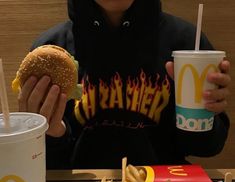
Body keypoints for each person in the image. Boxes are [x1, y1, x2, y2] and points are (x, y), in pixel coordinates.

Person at [18, 0, 231, 169]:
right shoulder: (51, 50)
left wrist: (202, 114)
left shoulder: (186, 44)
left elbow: (208, 148)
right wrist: (51, 133)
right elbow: (47, 165)